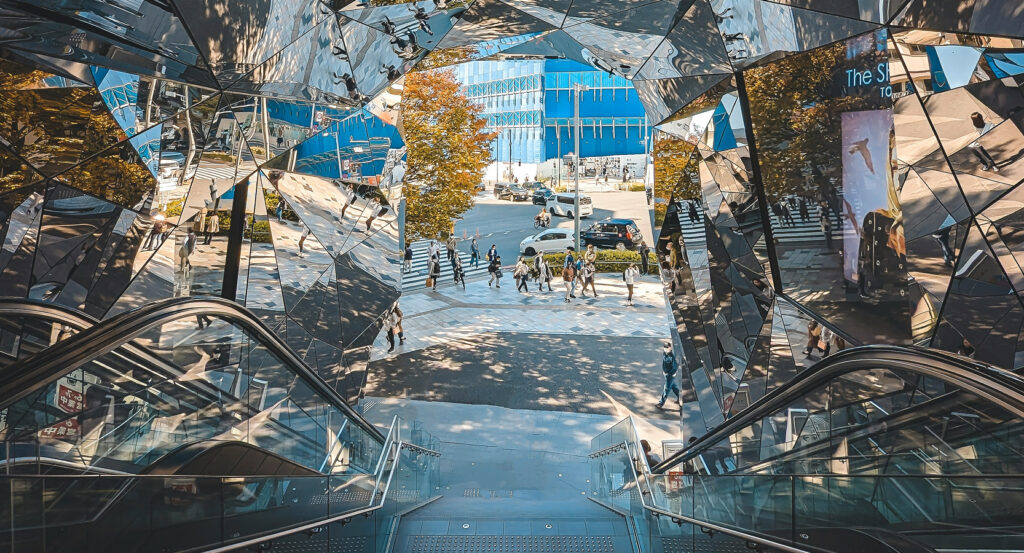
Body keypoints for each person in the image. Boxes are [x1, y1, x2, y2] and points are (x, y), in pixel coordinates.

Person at [657, 342, 681, 409]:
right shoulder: (664, 353)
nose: (666, 349)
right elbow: (664, 363)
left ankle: (661, 403)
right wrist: (664, 371)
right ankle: (681, 398)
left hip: (670, 376)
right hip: (666, 374)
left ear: (670, 348)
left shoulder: (672, 357)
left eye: (668, 348)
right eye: (665, 347)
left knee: (666, 389)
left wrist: (669, 374)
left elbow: (675, 367)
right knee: (674, 387)